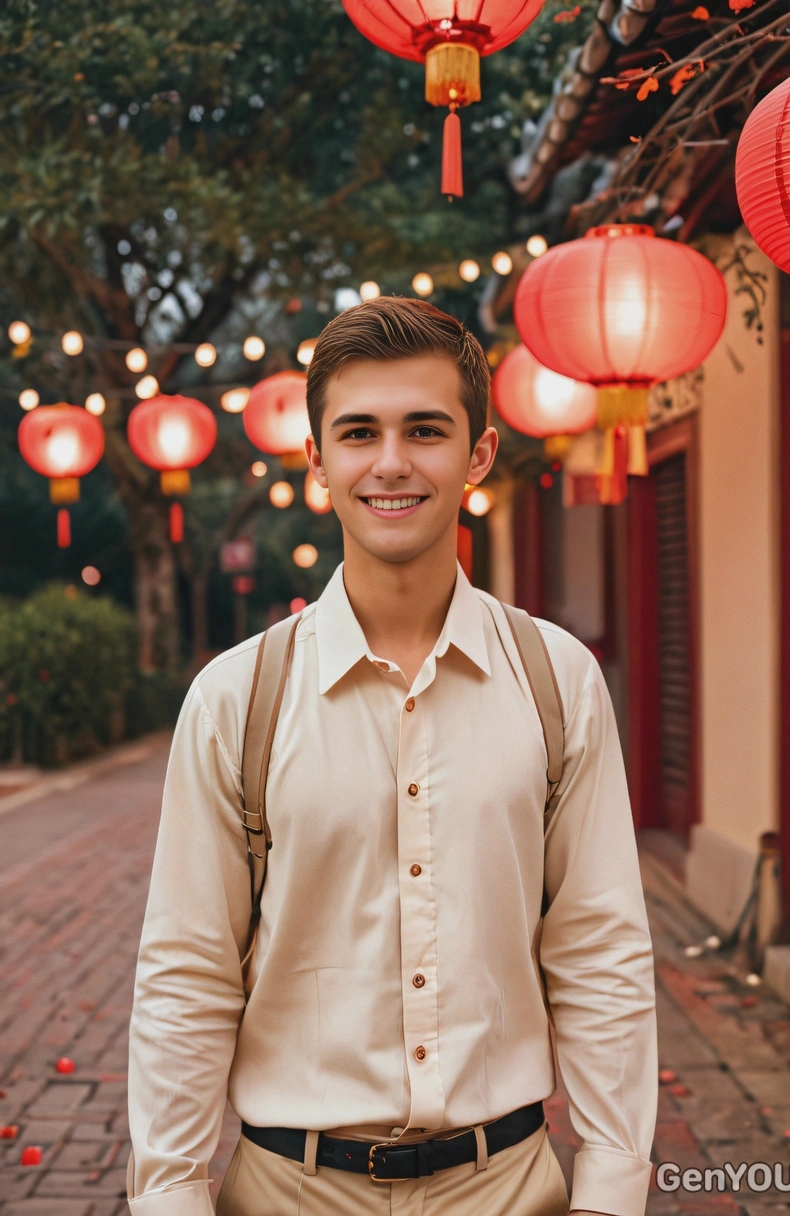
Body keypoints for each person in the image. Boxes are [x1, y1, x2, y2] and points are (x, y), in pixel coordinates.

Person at [126, 296, 658, 1216]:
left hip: (511, 1185)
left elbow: (599, 949)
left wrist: (611, 1186)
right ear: (318, 458)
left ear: (477, 454)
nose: (391, 463)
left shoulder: (556, 680)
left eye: (426, 430)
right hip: (288, 1190)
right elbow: (188, 972)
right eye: (359, 432)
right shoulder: (234, 699)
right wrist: (169, 1194)